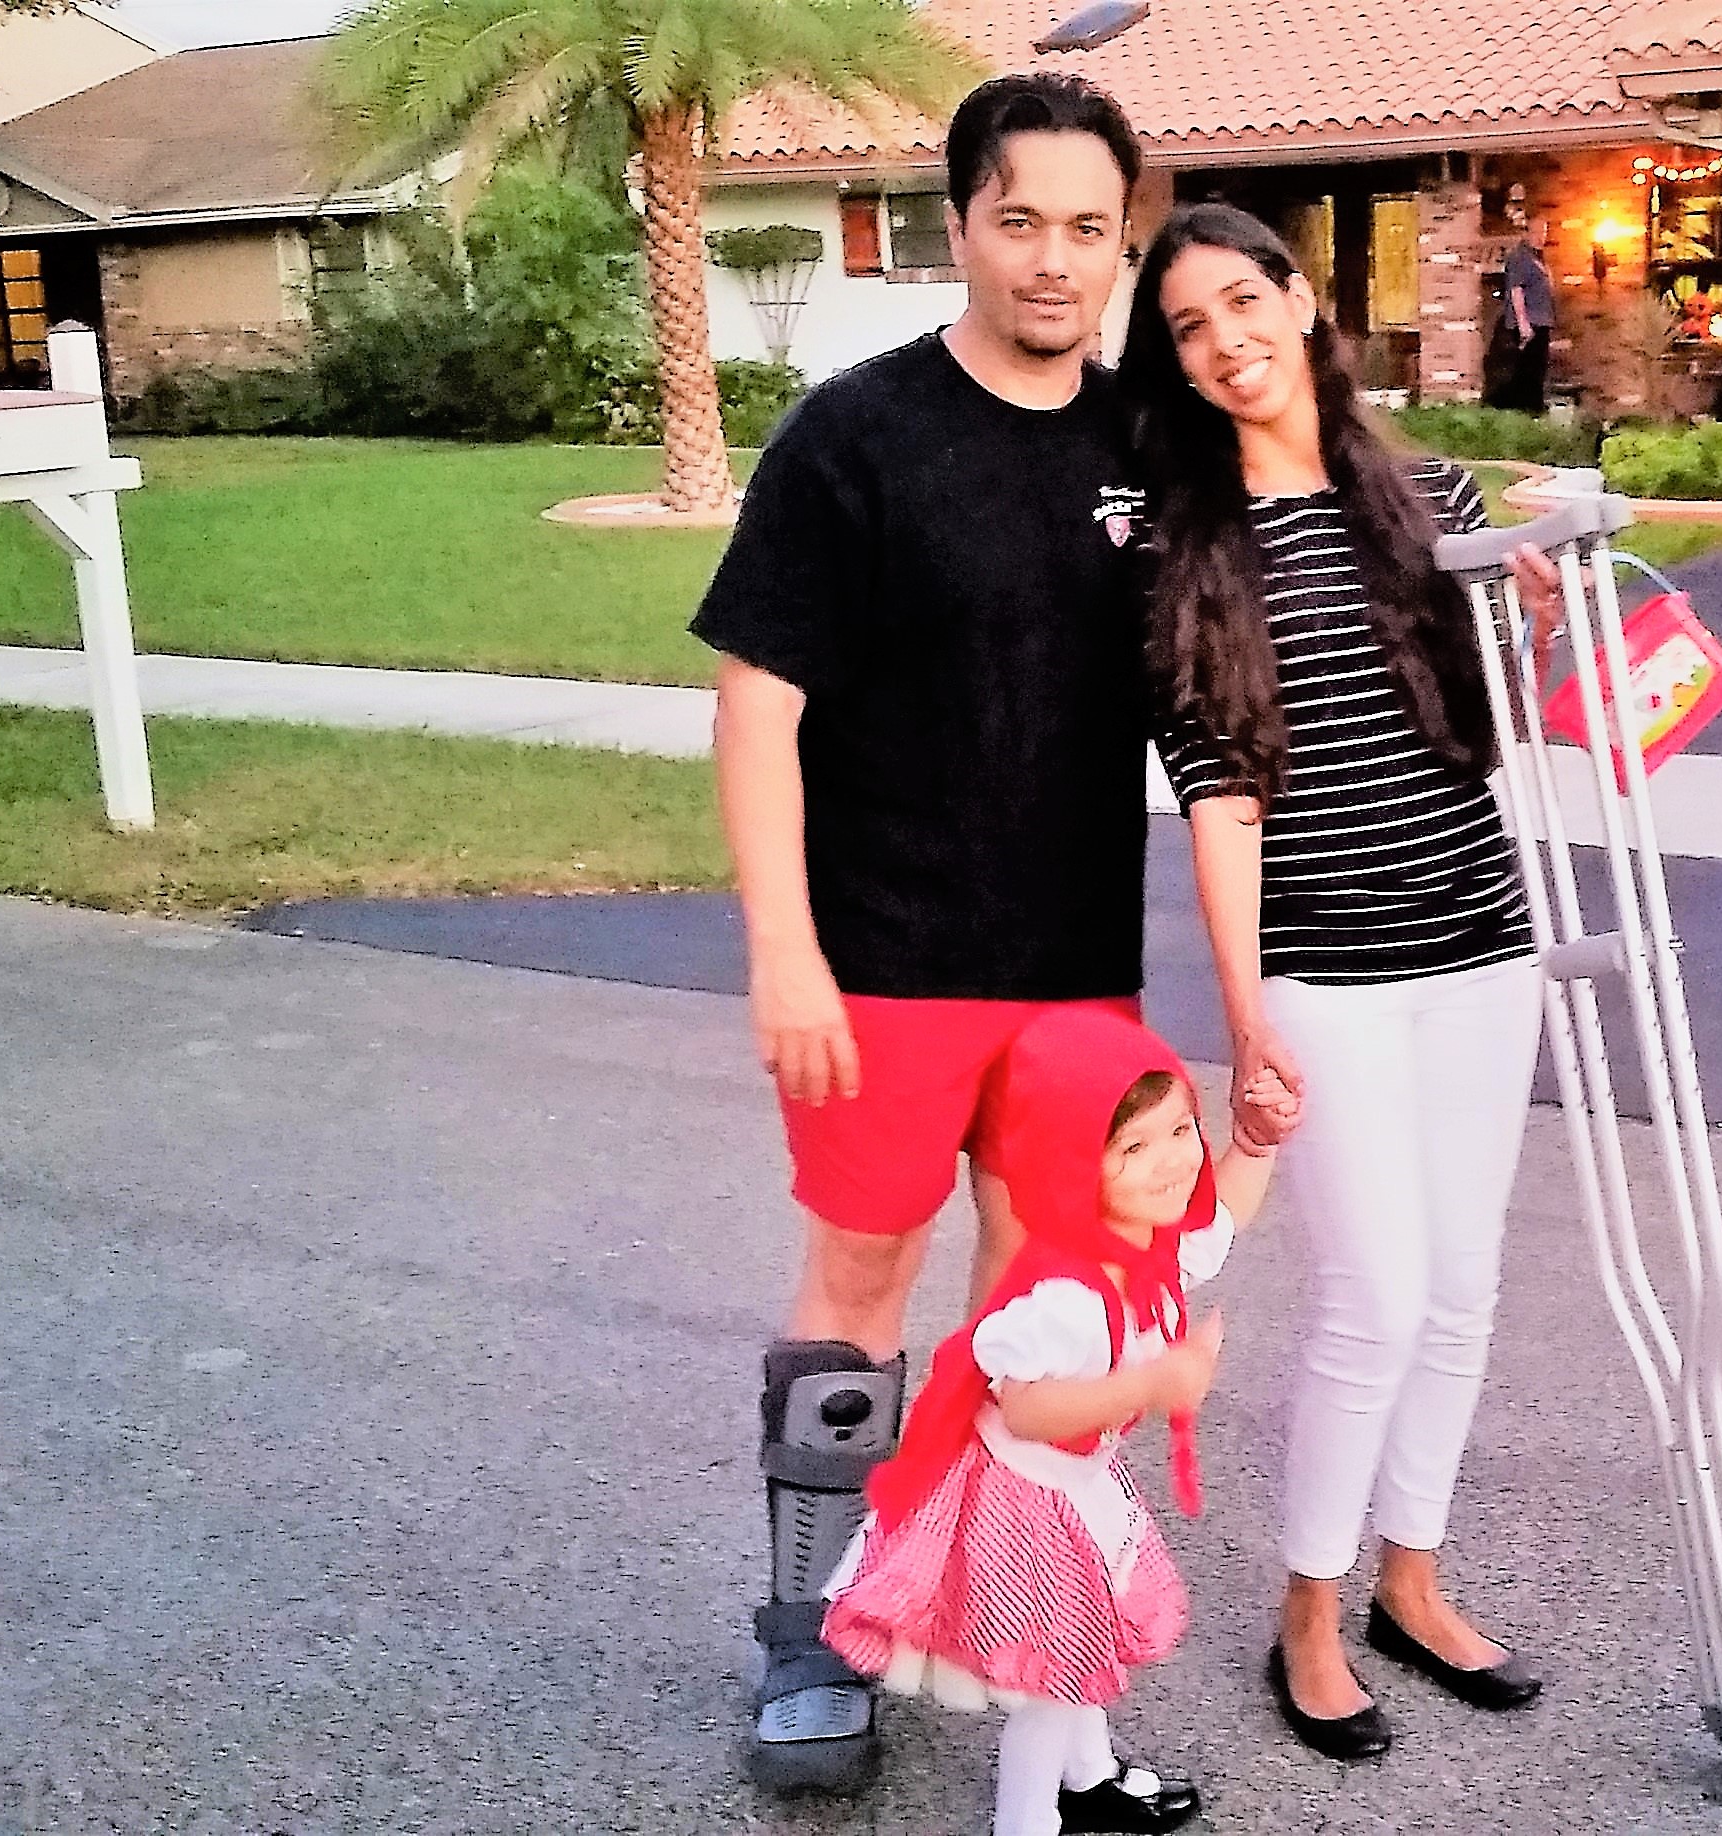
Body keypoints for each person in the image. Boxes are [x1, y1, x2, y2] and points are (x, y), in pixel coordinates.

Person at [686, 72, 1153, 1794]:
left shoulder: (1146, 446)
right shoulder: (854, 436)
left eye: (1087, 228)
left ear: (1122, 246)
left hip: (1077, 978)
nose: (1053, 259)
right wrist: (783, 953)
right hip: (881, 962)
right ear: (958, 227)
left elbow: (1304, 540)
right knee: (860, 1288)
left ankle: (990, 1599)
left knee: (1042, 1304)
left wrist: (1479, 566)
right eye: (1019, 220)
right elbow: (756, 705)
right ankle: (811, 1631)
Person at [1120, 202, 1559, 1763]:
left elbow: (1484, 731)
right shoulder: (1182, 551)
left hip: (1482, 940)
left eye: (1244, 302)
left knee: (1462, 1288)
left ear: (1302, 302)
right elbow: (1218, 801)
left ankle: (1410, 1585)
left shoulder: (1432, 499)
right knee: (1372, 1299)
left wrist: (1534, 625)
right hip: (1325, 969)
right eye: (1190, 327)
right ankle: (1307, 1614)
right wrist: (1247, 1027)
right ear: (1176, 363)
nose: (1226, 340)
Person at [822, 1009, 1287, 1836]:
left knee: (1079, 1647)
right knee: (1051, 1680)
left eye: (1181, 1128)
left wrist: (1254, 1144)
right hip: (1024, 1505)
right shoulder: (1066, 1297)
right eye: (1133, 1147)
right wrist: (1152, 1382)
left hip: (1073, 1487)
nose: (1174, 1160)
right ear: (1073, 1162)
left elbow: (1222, 1219)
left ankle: (1090, 1777)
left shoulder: (1146, 1245)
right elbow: (1027, 1408)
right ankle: (1027, 1820)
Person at [1484, 218, 1554, 414]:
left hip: (1540, 321)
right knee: (1527, 368)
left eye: (1544, 232)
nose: (1541, 237)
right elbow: (1516, 290)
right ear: (1527, 233)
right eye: (1537, 232)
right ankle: (1523, 408)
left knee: (1537, 368)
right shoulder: (1519, 257)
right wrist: (1523, 324)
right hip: (1529, 324)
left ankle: (1531, 408)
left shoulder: (1537, 258)